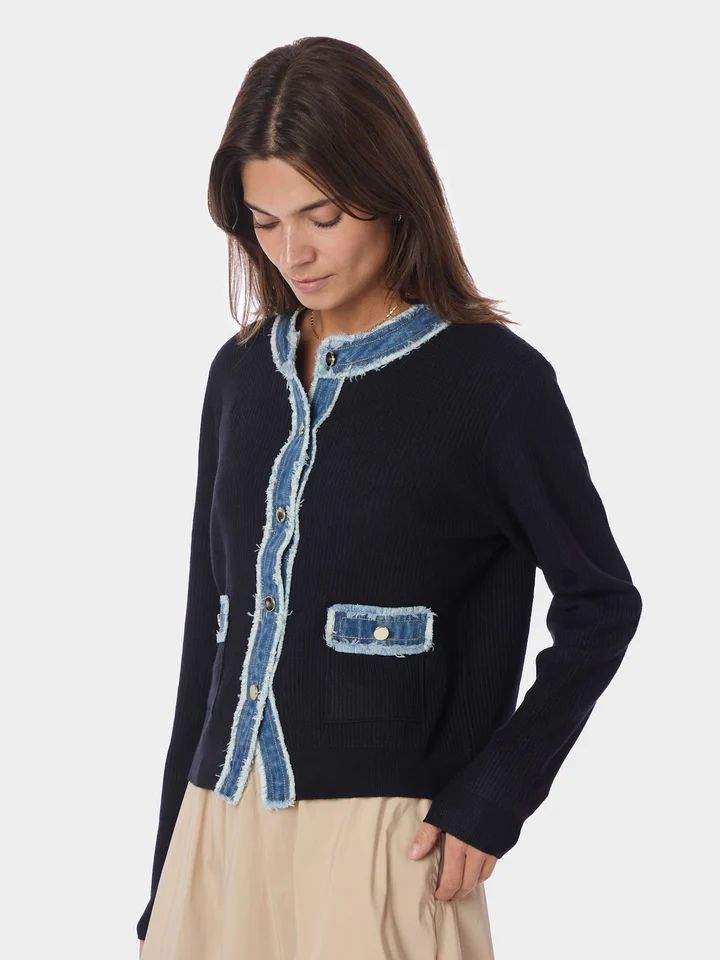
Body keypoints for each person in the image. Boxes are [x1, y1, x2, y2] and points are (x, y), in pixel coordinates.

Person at [136, 35, 642, 960]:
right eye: (264, 221)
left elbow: (602, 604)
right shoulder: (239, 375)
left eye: (322, 215)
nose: (292, 251)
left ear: (390, 190)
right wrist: (164, 876)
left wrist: (495, 795)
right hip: (216, 832)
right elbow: (207, 630)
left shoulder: (494, 384)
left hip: (384, 846)